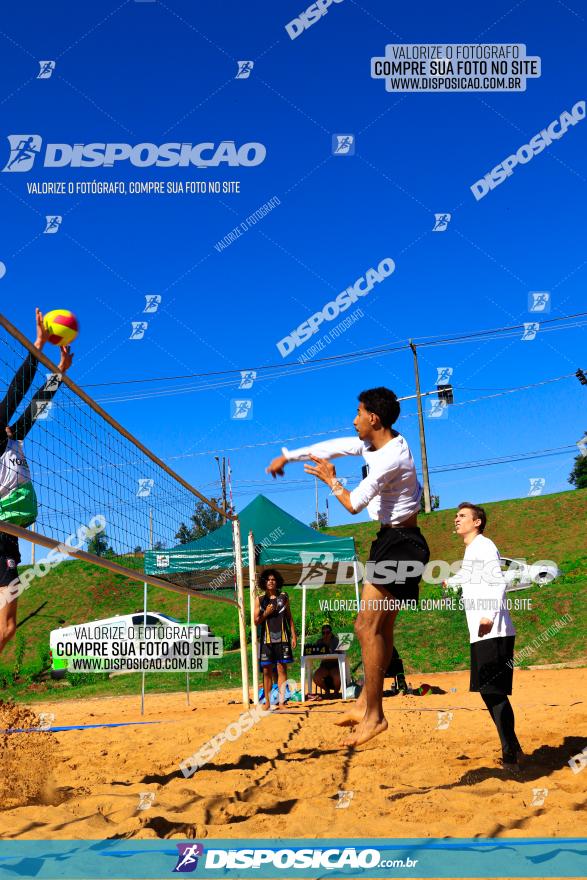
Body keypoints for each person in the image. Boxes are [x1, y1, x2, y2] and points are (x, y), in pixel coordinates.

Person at [267, 386, 430, 746]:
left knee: (364, 626)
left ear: (374, 418)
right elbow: (334, 447)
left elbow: (353, 503)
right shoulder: (377, 443)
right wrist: (288, 456)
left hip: (402, 545)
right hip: (394, 542)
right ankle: (365, 704)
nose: (353, 419)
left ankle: (374, 715)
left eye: (358, 412)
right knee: (379, 630)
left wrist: (331, 481)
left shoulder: (391, 459)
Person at [0, 308, 73, 654]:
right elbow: (17, 391)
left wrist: (59, 373)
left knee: (9, 627)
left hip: (12, 535)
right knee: (8, 624)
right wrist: (39, 343)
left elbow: (36, 405)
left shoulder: (13, 437)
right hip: (1, 533)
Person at [445, 502, 522, 770]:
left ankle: (510, 752)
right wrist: (450, 581)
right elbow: (467, 577)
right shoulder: (471, 551)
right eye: (456, 516)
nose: (457, 519)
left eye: (463, 516)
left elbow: (498, 582)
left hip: (493, 628)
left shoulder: (484, 546)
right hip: (481, 632)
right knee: (488, 692)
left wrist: (488, 614)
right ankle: (513, 746)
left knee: (494, 691)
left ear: (477, 522)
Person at [253, 568, 297, 709]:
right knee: (266, 671)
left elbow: (289, 617)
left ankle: (282, 701)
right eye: (268, 580)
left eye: (273, 579)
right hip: (267, 640)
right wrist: (266, 613)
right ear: (264, 583)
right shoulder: (259, 599)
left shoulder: (284, 597)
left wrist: (294, 635)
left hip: (283, 639)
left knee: (281, 669)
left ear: (277, 582)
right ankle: (266, 702)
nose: (271, 582)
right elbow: (255, 621)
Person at [311, 624, 341, 698]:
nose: (325, 635)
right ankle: (326, 690)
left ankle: (336, 692)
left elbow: (341, 653)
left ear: (331, 633)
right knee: (316, 677)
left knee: (337, 677)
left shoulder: (336, 640)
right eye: (323, 633)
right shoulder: (319, 642)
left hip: (335, 664)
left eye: (327, 632)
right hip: (324, 665)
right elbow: (315, 652)